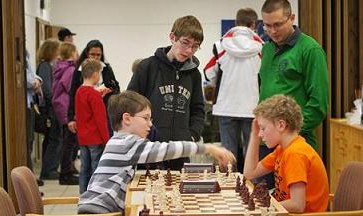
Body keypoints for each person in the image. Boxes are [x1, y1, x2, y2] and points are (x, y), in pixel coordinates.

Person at [77, 90, 236, 216]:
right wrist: (208, 148)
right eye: (146, 118)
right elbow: (166, 149)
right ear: (127, 119)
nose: (150, 124)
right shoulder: (127, 144)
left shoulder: (118, 141)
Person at [257, 0, 329, 188]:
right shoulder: (267, 48)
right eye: (267, 26)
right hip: (267, 143)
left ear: (292, 18)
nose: (272, 31)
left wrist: (288, 134)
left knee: (292, 209)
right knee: (264, 205)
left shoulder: (310, 50)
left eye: (278, 24)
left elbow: (318, 105)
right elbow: (263, 93)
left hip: (295, 143)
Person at [243, 94, 329, 216]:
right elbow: (249, 173)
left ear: (281, 125)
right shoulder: (283, 150)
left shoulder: (295, 154)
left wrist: (263, 205)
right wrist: (254, 136)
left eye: (263, 128)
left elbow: (297, 205)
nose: (260, 134)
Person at [127, 15, 205, 170]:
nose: (189, 50)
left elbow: (198, 110)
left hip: (180, 150)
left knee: (178, 193)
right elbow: (129, 104)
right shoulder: (147, 67)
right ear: (172, 37)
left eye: (195, 46)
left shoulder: (194, 74)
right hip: (149, 149)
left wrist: (192, 135)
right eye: (185, 43)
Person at [204, 8, 263, 173]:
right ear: (254, 24)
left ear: (236, 23)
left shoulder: (220, 45)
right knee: (251, 152)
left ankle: (229, 189)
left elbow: (208, 74)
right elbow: (264, 76)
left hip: (226, 107)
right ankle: (250, 190)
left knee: (228, 155)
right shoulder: (261, 48)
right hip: (252, 108)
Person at [67, 39, 120, 137]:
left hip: (103, 111)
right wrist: (70, 118)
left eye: (98, 55)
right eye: (92, 54)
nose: (95, 57)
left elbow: (116, 88)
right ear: (87, 53)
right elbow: (73, 94)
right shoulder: (79, 70)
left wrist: (108, 90)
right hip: (85, 114)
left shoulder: (106, 69)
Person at [75, 59, 110, 194]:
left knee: (84, 168)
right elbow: (101, 120)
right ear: (95, 74)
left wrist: (99, 96)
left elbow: (83, 113)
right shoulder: (94, 94)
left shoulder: (80, 91)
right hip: (95, 138)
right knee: (96, 168)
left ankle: (83, 194)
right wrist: (107, 140)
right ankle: (95, 193)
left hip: (83, 137)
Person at [52, 42, 79, 185]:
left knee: (67, 141)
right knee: (69, 142)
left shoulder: (59, 67)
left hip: (60, 106)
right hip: (66, 107)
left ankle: (67, 170)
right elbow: (72, 88)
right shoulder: (69, 70)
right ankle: (66, 173)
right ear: (72, 53)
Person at [36, 39, 61, 181]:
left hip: (51, 106)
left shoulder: (46, 65)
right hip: (51, 108)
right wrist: (56, 99)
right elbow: (47, 89)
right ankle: (49, 169)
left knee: (52, 139)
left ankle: (49, 169)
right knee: (54, 138)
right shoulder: (45, 66)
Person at [25, 50, 44, 186]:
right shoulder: (16, 52)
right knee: (27, 143)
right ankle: (28, 179)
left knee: (30, 142)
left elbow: (33, 75)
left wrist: (37, 80)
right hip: (23, 105)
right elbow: (28, 80)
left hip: (30, 103)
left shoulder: (26, 53)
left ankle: (30, 177)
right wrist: (34, 81)